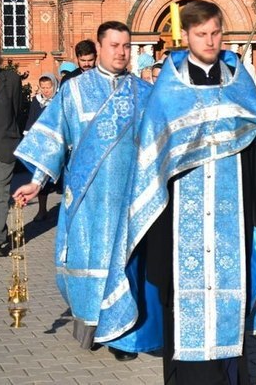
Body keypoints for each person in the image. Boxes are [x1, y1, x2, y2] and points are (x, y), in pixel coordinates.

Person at [95, 0, 256, 384]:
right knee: (180, 314)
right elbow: (151, 162)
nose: (210, 41)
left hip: (230, 222)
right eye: (201, 34)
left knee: (230, 312)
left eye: (216, 33)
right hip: (178, 226)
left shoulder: (238, 82)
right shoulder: (167, 89)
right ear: (186, 36)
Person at [13, 22, 152, 360]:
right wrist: (36, 181)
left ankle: (122, 335)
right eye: (114, 45)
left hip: (129, 196)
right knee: (90, 259)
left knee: (124, 263)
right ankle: (91, 325)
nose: (121, 52)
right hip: (88, 195)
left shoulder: (144, 92)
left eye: (126, 46)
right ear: (100, 48)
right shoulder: (74, 91)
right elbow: (53, 136)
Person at [0, 43, 22, 258]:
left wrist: (13, 138)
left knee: (0, 194)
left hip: (4, 144)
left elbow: (17, 111)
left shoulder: (11, 80)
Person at [23, 73, 59, 222]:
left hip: (58, 144)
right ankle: (42, 209)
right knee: (40, 177)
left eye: (48, 87)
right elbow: (31, 120)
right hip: (41, 145)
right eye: (43, 87)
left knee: (62, 180)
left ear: (54, 86)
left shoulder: (59, 100)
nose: (45, 91)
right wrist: (27, 137)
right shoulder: (36, 102)